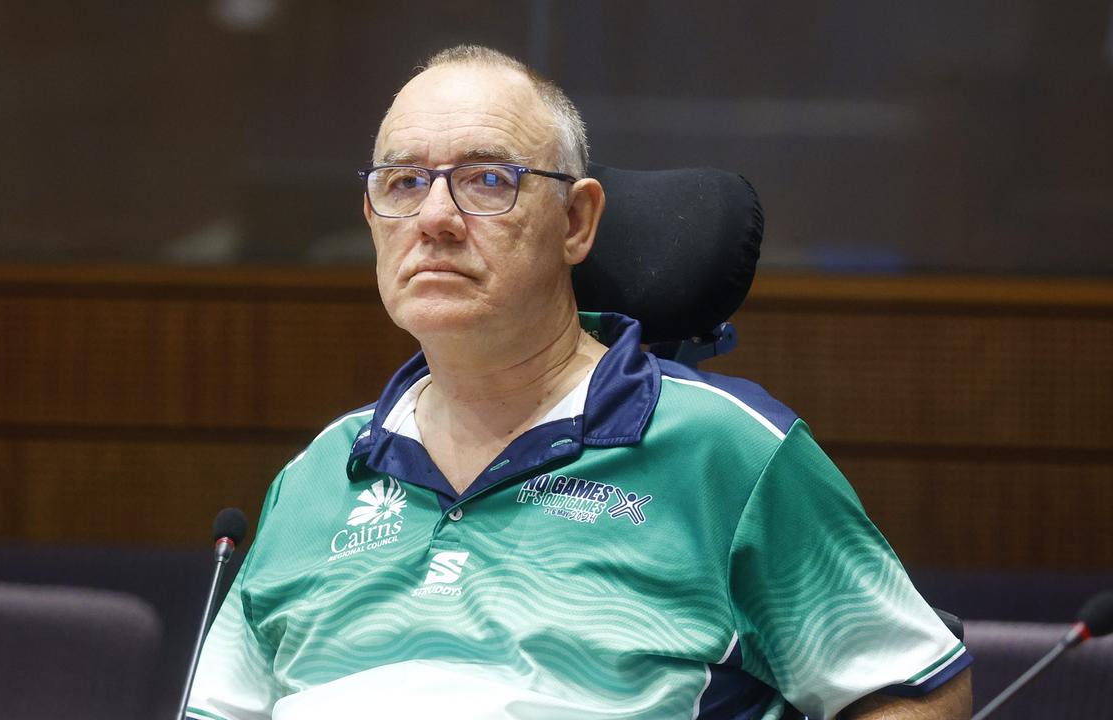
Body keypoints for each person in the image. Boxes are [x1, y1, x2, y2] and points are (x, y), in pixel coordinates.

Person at [187, 45, 972, 720]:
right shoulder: (320, 473)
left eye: (487, 180)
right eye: (402, 183)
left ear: (576, 223)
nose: (435, 217)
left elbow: (909, 689)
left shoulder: (724, 450)